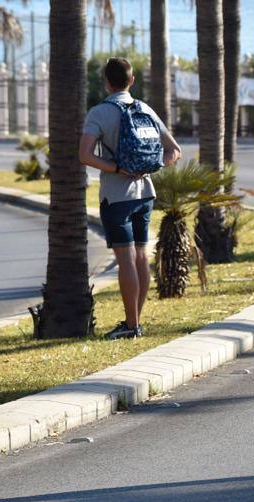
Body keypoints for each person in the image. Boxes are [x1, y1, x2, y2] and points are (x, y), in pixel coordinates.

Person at [79, 57, 181, 339]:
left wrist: (117, 168)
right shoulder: (145, 109)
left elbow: (85, 155)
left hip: (117, 196)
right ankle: (135, 322)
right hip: (146, 193)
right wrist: (150, 167)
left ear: (106, 81)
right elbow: (174, 151)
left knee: (126, 259)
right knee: (140, 256)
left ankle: (132, 326)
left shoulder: (100, 113)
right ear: (132, 80)